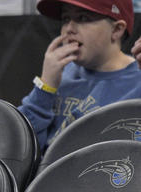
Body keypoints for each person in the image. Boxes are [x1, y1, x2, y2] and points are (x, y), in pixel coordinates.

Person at [19, 0, 141, 152]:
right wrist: (44, 86)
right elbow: (21, 145)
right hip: (48, 173)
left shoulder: (137, 82)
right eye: (66, 19)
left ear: (116, 30)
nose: (69, 29)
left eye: (83, 18)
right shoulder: (60, 72)